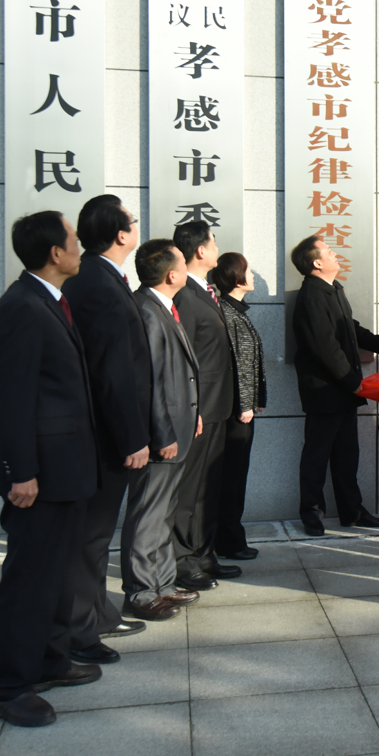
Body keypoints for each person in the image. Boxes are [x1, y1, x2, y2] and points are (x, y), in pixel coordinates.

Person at [0, 211, 102, 727]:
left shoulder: (51, 302)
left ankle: (51, 660)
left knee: (56, 574)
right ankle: (8, 686)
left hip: (67, 470)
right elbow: (10, 398)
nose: (80, 248)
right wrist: (20, 471)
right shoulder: (22, 307)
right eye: (74, 241)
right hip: (40, 477)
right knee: (29, 580)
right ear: (55, 253)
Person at [60, 195, 151, 664]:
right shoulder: (98, 283)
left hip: (102, 431)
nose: (135, 227)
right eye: (132, 221)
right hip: (102, 435)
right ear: (121, 234)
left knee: (95, 537)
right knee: (91, 538)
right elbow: (114, 372)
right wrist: (133, 437)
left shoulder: (100, 278)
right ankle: (80, 632)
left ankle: (100, 615)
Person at [291, 234, 379, 536]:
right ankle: (312, 515)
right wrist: (353, 383)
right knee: (317, 456)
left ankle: (351, 511)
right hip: (325, 391)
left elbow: (349, 329)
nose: (335, 255)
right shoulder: (312, 296)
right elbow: (325, 348)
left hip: (343, 390)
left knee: (347, 455)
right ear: (317, 262)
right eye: (329, 252)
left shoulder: (332, 290)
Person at [121, 239, 203, 623]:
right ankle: (140, 592)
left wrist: (194, 412)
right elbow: (148, 381)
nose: (188, 268)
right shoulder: (147, 311)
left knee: (163, 512)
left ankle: (163, 584)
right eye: (184, 263)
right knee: (147, 515)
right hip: (162, 437)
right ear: (172, 274)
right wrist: (162, 434)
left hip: (178, 428)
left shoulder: (163, 307)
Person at [169, 222, 239, 591]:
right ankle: (183, 561)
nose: (216, 247)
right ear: (200, 250)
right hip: (199, 409)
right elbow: (185, 357)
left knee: (210, 485)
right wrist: (191, 407)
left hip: (218, 406)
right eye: (213, 241)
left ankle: (204, 553)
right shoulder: (184, 295)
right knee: (190, 488)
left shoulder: (207, 292)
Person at [211, 252, 268, 560]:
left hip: (241, 409)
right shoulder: (227, 313)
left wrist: (255, 400)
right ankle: (229, 541)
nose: (254, 276)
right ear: (236, 278)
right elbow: (235, 364)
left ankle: (231, 538)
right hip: (235, 413)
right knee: (231, 477)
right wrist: (246, 403)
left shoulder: (235, 312)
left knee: (235, 476)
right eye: (248, 271)